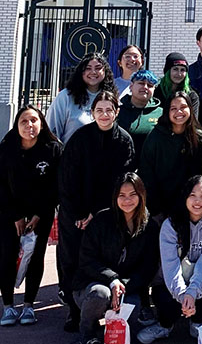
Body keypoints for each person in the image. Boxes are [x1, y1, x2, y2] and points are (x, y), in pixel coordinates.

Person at [57, 90, 135, 332]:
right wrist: (80, 213)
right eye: (99, 110)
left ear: (117, 112)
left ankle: (105, 305)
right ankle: (73, 309)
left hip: (108, 213)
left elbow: (122, 183)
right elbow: (67, 179)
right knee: (71, 259)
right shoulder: (79, 140)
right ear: (92, 113)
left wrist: (97, 212)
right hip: (76, 213)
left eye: (109, 110)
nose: (104, 114)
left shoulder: (124, 141)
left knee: (104, 259)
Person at [0, 105, 62, 327]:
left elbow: (57, 186)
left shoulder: (52, 149)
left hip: (41, 215)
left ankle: (29, 305)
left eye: (34, 120)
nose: (29, 125)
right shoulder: (6, 150)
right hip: (10, 216)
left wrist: (39, 215)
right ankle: (8, 307)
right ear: (17, 125)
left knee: (35, 258)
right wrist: (15, 216)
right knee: (7, 256)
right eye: (24, 121)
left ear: (41, 124)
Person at [73, 173, 160, 344]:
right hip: (91, 285)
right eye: (122, 195)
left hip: (126, 287)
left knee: (133, 306)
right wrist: (112, 280)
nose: (127, 200)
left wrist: (122, 286)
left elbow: (148, 267)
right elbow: (87, 260)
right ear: (115, 197)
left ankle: (115, 333)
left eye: (132, 194)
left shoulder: (149, 226)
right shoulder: (101, 220)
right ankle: (86, 333)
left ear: (141, 195)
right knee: (100, 294)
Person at [138, 176, 202, 343]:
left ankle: (197, 323)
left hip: (197, 283)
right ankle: (164, 326)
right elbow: (171, 266)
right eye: (192, 195)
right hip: (171, 284)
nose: (197, 201)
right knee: (162, 296)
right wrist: (183, 294)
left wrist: (192, 292)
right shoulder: (170, 225)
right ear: (185, 197)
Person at [139, 91, 202, 221]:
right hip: (160, 208)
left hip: (191, 207)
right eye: (173, 108)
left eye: (183, 107)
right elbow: (147, 174)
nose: (179, 112)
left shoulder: (198, 137)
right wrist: (156, 210)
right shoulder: (155, 137)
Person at [46, 53, 116, 144]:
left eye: (98, 68)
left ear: (105, 71)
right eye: (88, 68)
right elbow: (51, 132)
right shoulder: (65, 97)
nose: (93, 72)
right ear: (81, 72)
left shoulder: (111, 97)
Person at [117, 70, 163, 155]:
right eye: (141, 83)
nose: (145, 87)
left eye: (149, 85)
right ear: (131, 86)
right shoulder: (118, 112)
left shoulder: (161, 114)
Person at [153, 52, 200, 118]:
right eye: (175, 69)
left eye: (182, 70)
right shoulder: (155, 92)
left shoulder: (191, 95)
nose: (179, 74)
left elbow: (193, 121)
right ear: (167, 71)